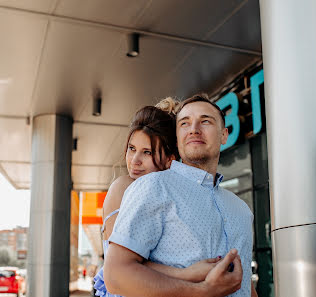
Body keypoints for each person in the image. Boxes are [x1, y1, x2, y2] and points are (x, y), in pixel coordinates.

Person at [104, 94, 257, 297]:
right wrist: (202, 290)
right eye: (185, 123)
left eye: (205, 121)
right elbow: (116, 274)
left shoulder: (241, 209)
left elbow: (245, 284)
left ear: (223, 135)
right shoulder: (151, 186)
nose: (194, 128)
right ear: (177, 138)